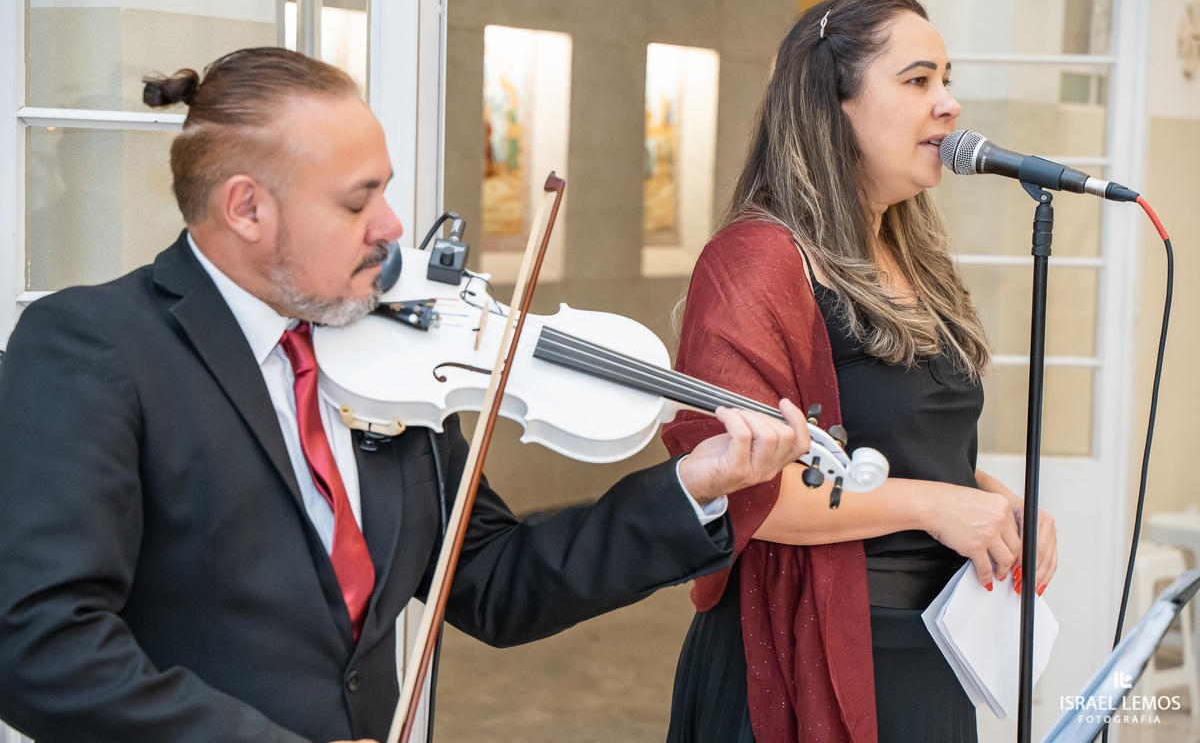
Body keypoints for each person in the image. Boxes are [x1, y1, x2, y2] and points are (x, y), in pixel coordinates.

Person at [0, 47, 813, 743]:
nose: (392, 225)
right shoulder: (95, 347)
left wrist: (690, 489)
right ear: (246, 207)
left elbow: (490, 578)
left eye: (385, 190)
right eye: (358, 200)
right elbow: (39, 642)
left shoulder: (385, 356)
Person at [661, 0, 1059, 743]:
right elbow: (751, 491)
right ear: (833, 101)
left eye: (946, 80)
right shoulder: (754, 261)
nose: (948, 104)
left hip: (932, 644)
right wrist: (936, 506)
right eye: (917, 81)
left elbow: (885, 445)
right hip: (807, 652)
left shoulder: (910, 253)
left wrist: (991, 496)